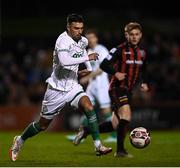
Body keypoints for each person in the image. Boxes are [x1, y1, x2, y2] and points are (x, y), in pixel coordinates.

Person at [9, 14, 112, 161]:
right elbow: (64, 61)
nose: (79, 31)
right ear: (68, 27)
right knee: (42, 125)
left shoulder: (83, 40)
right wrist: (87, 59)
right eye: (76, 28)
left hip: (73, 86)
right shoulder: (62, 40)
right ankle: (20, 140)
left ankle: (98, 146)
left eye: (81, 28)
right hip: (56, 89)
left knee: (89, 107)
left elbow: (82, 51)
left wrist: (88, 69)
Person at [73, 22, 150, 158]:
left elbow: (142, 69)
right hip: (117, 88)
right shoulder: (119, 50)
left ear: (141, 35)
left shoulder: (142, 52)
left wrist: (143, 82)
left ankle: (86, 130)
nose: (134, 37)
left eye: (137, 34)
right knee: (126, 115)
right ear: (126, 35)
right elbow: (104, 65)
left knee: (115, 125)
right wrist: (116, 73)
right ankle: (120, 151)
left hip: (129, 90)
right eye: (131, 34)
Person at [70, 29, 116, 144]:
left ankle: (114, 135)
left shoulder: (102, 49)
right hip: (93, 85)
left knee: (106, 110)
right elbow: (92, 69)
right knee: (87, 107)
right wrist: (83, 73)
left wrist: (87, 78)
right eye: (88, 38)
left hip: (101, 84)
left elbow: (102, 69)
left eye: (92, 37)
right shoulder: (89, 50)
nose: (90, 40)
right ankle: (80, 134)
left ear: (96, 38)